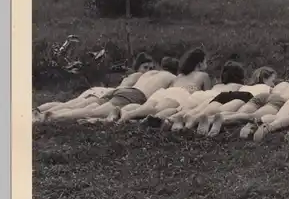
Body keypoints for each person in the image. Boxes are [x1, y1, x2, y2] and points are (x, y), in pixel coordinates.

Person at [115, 59, 242, 126]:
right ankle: (163, 120)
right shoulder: (203, 75)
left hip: (165, 91)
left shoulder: (179, 76)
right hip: (183, 94)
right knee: (171, 110)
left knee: (148, 106)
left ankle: (126, 113)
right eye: (205, 61)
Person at [34, 52, 156, 121]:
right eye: (145, 67)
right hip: (105, 93)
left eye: (151, 68)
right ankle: (46, 115)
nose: (148, 71)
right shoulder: (137, 76)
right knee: (75, 106)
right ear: (138, 67)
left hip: (98, 91)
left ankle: (38, 111)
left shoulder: (131, 76)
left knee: (69, 104)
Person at [44, 62, 177, 122]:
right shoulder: (172, 78)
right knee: (96, 112)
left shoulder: (151, 73)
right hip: (135, 94)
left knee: (92, 106)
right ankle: (55, 116)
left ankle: (52, 111)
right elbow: (166, 96)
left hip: (122, 90)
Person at [206, 70, 289, 138]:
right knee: (252, 117)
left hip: (263, 95)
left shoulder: (282, 83)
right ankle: (224, 121)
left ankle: (209, 119)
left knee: (237, 112)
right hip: (278, 101)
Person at [194, 66, 278, 135]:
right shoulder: (268, 88)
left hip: (231, 94)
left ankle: (208, 119)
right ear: (264, 79)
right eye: (273, 81)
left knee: (225, 111)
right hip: (247, 97)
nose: (274, 84)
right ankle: (217, 121)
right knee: (241, 114)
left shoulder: (245, 86)